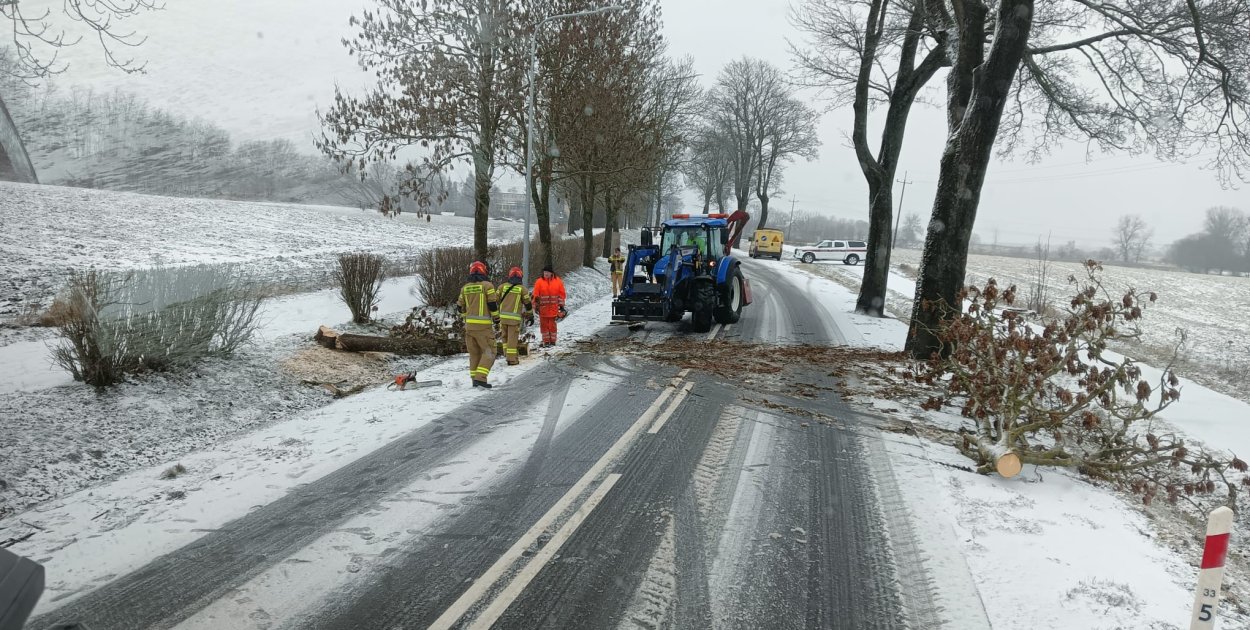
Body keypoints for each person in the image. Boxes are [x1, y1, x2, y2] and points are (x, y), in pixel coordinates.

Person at [457, 260, 499, 388]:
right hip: (483, 327)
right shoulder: (488, 286)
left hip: (469, 328)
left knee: (474, 353)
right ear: (484, 272)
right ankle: (480, 378)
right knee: (490, 352)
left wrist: (466, 318)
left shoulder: (465, 288)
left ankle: (474, 380)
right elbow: (492, 304)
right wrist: (496, 318)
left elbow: (459, 307)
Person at [497, 266, 533, 365]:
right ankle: (512, 359)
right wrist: (530, 315)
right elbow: (528, 304)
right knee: (512, 339)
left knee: (504, 337)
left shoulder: (502, 287)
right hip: (513, 320)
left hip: (502, 318)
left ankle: (506, 354)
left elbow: (494, 300)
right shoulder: (522, 289)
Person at [532, 265, 567, 347]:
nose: (546, 274)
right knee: (544, 325)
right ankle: (546, 341)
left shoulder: (558, 281)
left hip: (553, 308)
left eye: (547, 272)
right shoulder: (539, 282)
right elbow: (535, 295)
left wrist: (561, 306)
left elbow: (562, 294)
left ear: (551, 273)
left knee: (552, 325)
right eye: (545, 272)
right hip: (543, 308)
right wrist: (535, 306)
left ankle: (553, 341)